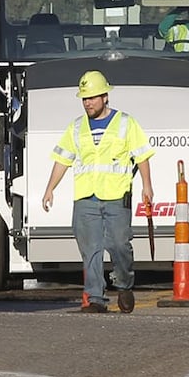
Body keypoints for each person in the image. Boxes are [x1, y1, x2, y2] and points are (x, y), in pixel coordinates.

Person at [40, 70, 155, 313]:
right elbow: (62, 160)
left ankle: (124, 284)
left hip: (116, 196)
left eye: (92, 97)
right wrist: (50, 188)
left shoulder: (125, 123)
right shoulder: (76, 127)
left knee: (119, 246)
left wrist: (147, 185)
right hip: (85, 198)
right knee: (90, 251)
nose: (88, 103)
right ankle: (95, 298)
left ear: (105, 96)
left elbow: (141, 155)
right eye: (84, 98)